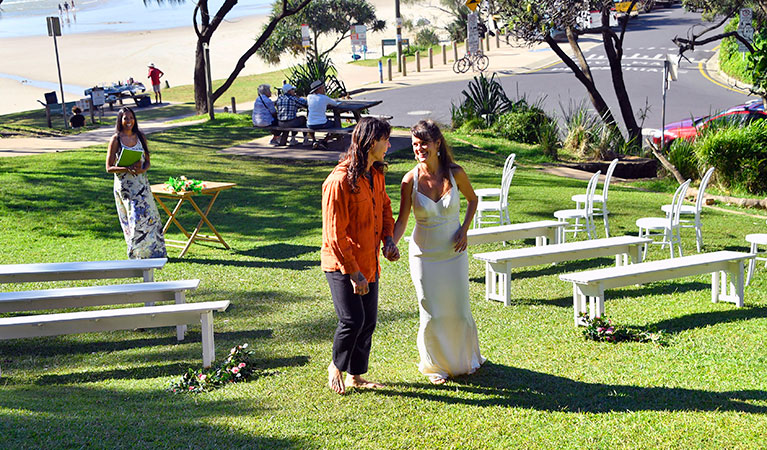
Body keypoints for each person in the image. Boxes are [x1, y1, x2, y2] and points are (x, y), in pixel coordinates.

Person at [392, 119, 485, 385]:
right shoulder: (409, 180)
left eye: (423, 144)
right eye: (414, 145)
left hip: (454, 253)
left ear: (437, 144)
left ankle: (465, 360)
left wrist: (465, 229)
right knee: (431, 310)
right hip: (424, 255)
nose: (418, 149)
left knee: (457, 308)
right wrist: (392, 242)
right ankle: (434, 366)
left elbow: (473, 199)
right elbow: (402, 220)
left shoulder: (456, 173)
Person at [321, 117, 400, 395]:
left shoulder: (375, 174)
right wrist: (353, 273)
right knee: (352, 320)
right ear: (371, 142)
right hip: (342, 264)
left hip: (370, 261)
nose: (389, 145)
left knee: (368, 321)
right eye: (385, 140)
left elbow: (386, 209)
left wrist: (388, 239)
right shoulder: (339, 181)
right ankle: (335, 366)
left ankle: (356, 376)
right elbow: (334, 234)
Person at [106, 107, 167, 259]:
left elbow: (147, 162)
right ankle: (136, 254)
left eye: (131, 118)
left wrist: (141, 170)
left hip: (142, 184)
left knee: (150, 217)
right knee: (134, 218)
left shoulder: (140, 136)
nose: (129, 121)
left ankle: (154, 252)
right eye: (125, 118)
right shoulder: (116, 139)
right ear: (120, 120)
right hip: (126, 187)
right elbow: (109, 167)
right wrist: (126, 168)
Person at [307, 80, 340, 150]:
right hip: (322, 123)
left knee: (310, 125)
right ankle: (324, 141)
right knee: (336, 125)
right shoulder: (324, 98)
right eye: (322, 88)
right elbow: (335, 104)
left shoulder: (309, 97)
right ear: (319, 89)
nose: (324, 89)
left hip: (310, 124)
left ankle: (314, 140)